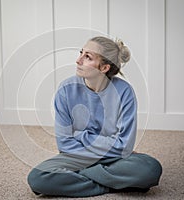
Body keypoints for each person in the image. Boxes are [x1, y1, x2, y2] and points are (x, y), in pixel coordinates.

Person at [27, 36, 162, 197]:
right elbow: (65, 144)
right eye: (81, 53)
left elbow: (124, 146)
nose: (78, 60)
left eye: (88, 57)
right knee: (37, 177)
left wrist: (80, 135)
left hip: (113, 158)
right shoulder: (66, 90)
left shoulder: (124, 92)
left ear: (104, 67)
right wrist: (112, 145)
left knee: (151, 169)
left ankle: (78, 179)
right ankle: (115, 184)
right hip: (78, 156)